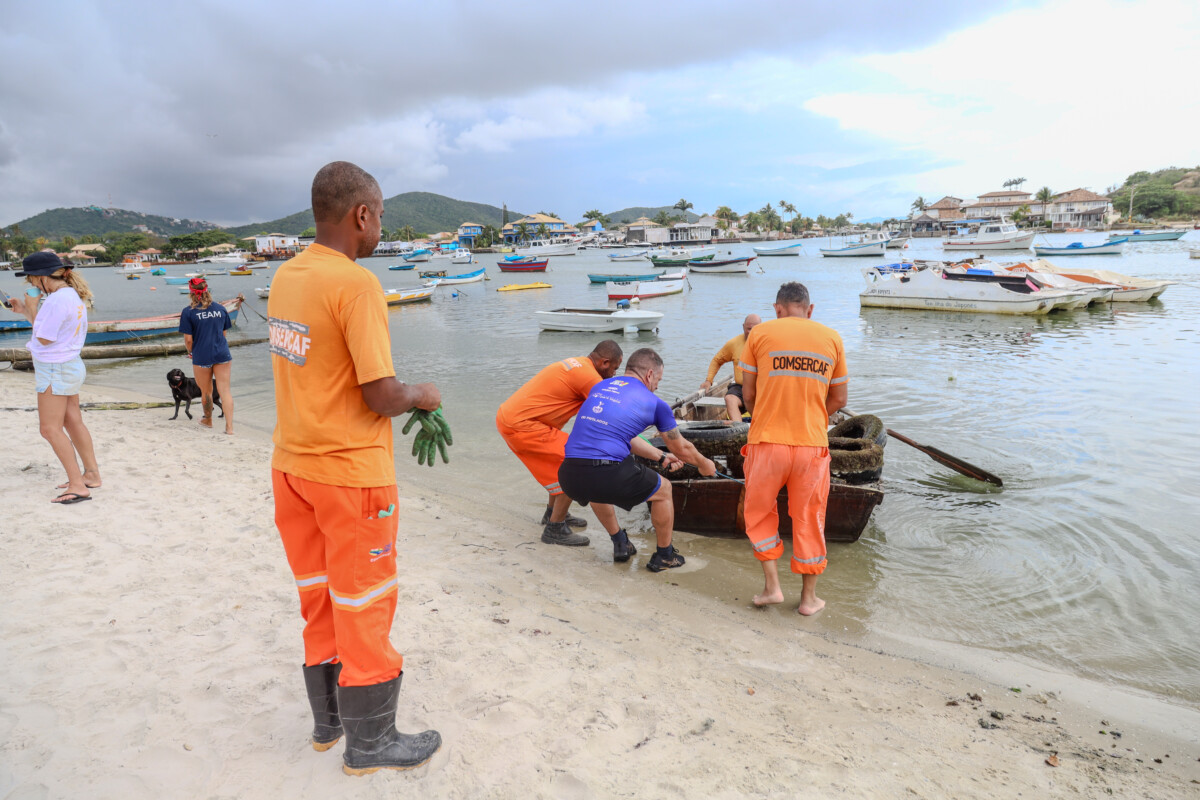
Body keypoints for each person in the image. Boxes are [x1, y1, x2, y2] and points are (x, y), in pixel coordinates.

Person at [268, 161, 441, 776]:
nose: (379, 227)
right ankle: (371, 745)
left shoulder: (287, 276)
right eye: (381, 215)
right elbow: (380, 395)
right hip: (349, 475)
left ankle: (328, 725)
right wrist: (423, 394)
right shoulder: (356, 283)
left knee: (319, 595)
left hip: (293, 468)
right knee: (365, 601)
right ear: (361, 214)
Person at [739, 282, 847, 616]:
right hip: (811, 446)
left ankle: (772, 588)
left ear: (778, 308)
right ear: (809, 309)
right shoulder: (832, 338)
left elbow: (748, 395)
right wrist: (813, 417)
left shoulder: (758, 335)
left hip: (766, 442)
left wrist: (767, 416)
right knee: (809, 519)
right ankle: (808, 600)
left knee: (759, 514)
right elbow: (839, 400)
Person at [557, 348, 716, 570]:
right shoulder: (655, 403)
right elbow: (681, 448)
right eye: (659, 379)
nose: (658, 386)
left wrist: (661, 457)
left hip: (569, 476)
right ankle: (665, 556)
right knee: (663, 491)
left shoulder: (600, 387)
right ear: (650, 374)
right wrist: (705, 464)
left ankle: (620, 542)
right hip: (605, 473)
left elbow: (623, 436)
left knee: (598, 489)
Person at [496, 342, 624, 547]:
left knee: (564, 458)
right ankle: (554, 528)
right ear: (604, 362)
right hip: (522, 425)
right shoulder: (589, 377)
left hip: (514, 418)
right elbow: (614, 409)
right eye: (615, 369)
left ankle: (552, 514)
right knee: (576, 464)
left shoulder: (580, 365)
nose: (613, 374)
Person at [6, 252, 101, 503]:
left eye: (31, 280)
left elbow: (45, 338)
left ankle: (78, 485)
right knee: (72, 421)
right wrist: (26, 311)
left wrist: (33, 307)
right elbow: (49, 332)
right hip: (68, 364)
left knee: (49, 428)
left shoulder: (56, 301)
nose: (31, 284)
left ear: (40, 277)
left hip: (55, 368)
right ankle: (91, 474)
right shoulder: (69, 295)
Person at [179, 277, 234, 434]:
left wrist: (191, 353)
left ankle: (208, 420)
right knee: (225, 391)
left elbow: (188, 341)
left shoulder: (188, 312)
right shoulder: (221, 309)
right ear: (207, 290)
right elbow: (223, 335)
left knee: (206, 391)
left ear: (191, 293)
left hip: (202, 356)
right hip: (222, 354)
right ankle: (229, 428)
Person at [699, 313, 761, 420]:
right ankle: (739, 430)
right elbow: (717, 360)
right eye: (748, 329)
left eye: (755, 329)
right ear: (743, 327)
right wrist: (709, 380)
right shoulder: (734, 343)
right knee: (729, 398)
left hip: (762, 387)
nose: (751, 332)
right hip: (741, 387)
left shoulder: (768, 343)